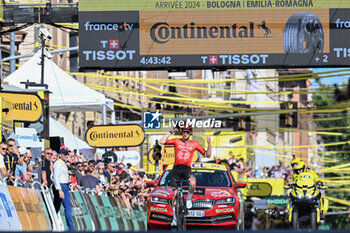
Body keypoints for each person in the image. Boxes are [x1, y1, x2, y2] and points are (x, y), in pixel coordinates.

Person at [160, 125, 211, 227]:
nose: (185, 134)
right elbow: (162, 141)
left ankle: (188, 199)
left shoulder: (194, 144)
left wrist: (209, 143)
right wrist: (171, 132)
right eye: (184, 132)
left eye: (187, 132)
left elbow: (207, 155)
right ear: (181, 133)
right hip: (176, 168)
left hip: (186, 168)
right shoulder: (176, 141)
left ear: (190, 133)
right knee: (174, 195)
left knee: (193, 183)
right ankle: (175, 219)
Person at [53, 149, 74, 230]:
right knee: (67, 207)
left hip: (63, 185)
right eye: (65, 154)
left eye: (67, 154)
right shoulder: (58, 163)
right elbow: (55, 177)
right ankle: (70, 228)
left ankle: (54, 225)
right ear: (60, 155)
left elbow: (53, 176)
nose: (66, 156)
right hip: (61, 186)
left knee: (57, 207)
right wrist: (59, 189)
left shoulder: (61, 163)